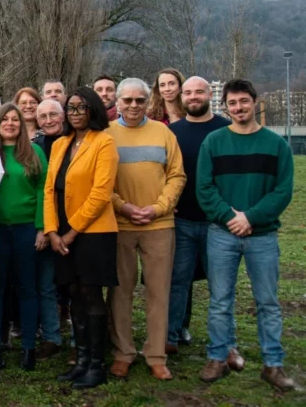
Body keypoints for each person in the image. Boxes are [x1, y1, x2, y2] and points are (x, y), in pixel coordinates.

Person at [197, 79, 297, 391]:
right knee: (220, 300)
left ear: (254, 102)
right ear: (225, 106)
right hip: (222, 234)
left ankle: (273, 364)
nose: (238, 107)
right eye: (232, 103)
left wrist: (250, 217)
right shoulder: (213, 142)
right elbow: (204, 188)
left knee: (267, 302)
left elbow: (283, 191)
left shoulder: (276, 144)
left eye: (243, 101)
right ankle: (218, 357)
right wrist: (231, 218)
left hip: (262, 236)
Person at [105, 78, 186, 382]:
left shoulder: (163, 133)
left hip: (159, 224)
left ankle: (156, 355)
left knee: (158, 291)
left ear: (147, 101)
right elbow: (100, 181)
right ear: (117, 102)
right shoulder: (106, 135)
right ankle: (122, 353)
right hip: (119, 224)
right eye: (127, 100)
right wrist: (123, 206)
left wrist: (158, 207)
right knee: (119, 292)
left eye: (139, 100)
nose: (134, 105)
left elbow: (177, 176)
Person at [45, 87, 118, 389]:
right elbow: (49, 190)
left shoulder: (104, 142)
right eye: (71, 108)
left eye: (81, 107)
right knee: (74, 295)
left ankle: (97, 365)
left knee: (91, 296)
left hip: (93, 232)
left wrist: (72, 231)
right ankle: (82, 360)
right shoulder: (60, 144)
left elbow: (101, 193)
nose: (75, 113)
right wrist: (52, 231)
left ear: (93, 110)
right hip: (62, 231)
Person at [166, 76, 231, 357]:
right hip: (181, 220)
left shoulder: (226, 129)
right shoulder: (172, 132)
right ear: (182, 97)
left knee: (221, 285)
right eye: (188, 92)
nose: (193, 97)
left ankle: (225, 342)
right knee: (177, 281)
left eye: (199, 92)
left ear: (210, 95)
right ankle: (170, 336)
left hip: (218, 222)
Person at [0, 103, 48, 371]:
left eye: (15, 120)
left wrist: (42, 227)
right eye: (5, 120)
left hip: (26, 228)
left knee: (27, 287)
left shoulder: (34, 152)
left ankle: (28, 348)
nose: (10, 124)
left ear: (21, 125)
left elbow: (44, 189)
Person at [32, 98, 66, 360]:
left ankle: (81, 338)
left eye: (53, 114)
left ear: (63, 115)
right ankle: (52, 337)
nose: (48, 120)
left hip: (75, 222)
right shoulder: (36, 147)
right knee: (45, 284)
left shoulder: (76, 141)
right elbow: (40, 190)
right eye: (42, 116)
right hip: (47, 223)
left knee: (76, 286)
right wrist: (44, 227)